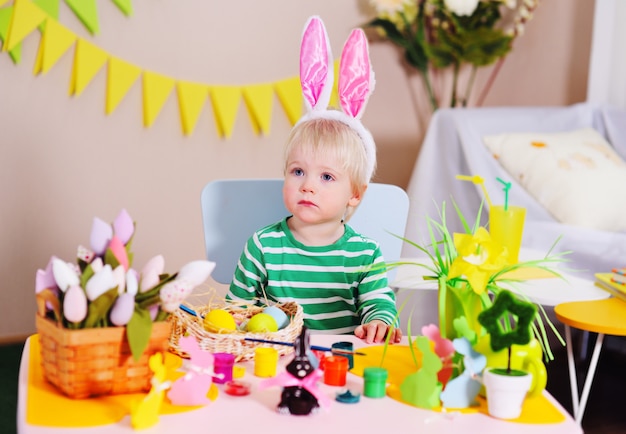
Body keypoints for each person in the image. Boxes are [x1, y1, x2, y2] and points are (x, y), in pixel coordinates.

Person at [226, 16, 402, 344]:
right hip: (277, 360)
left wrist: (379, 321)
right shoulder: (262, 246)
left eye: (326, 176)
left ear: (355, 194)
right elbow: (236, 309)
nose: (308, 185)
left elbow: (379, 303)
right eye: (298, 172)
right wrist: (238, 319)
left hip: (342, 364)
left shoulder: (364, 254)